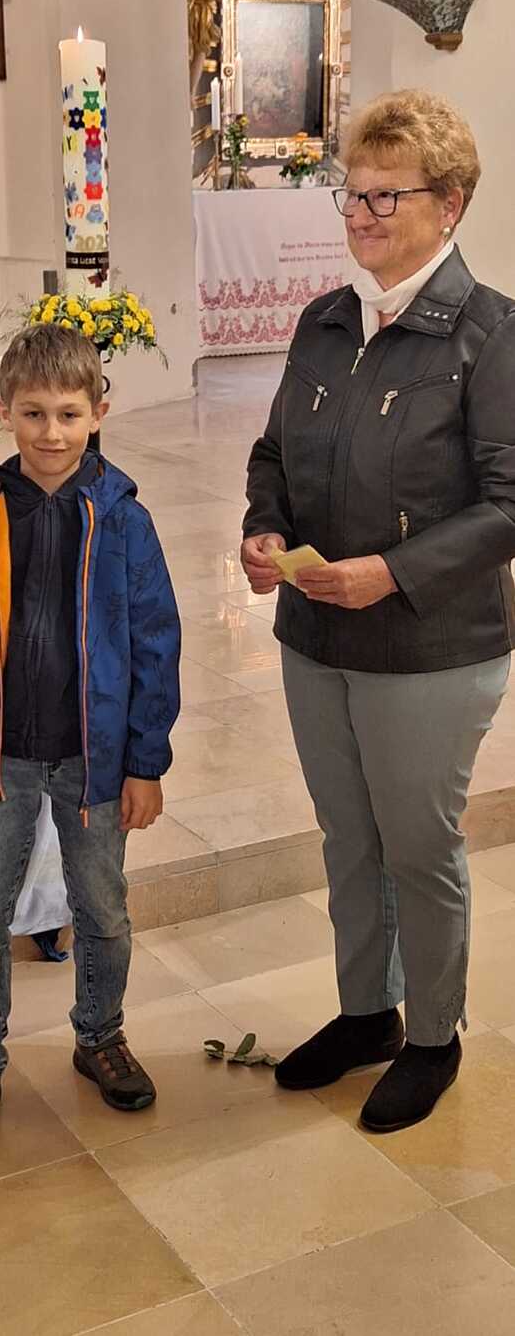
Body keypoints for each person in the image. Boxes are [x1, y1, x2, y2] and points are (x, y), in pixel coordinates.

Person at [242, 89, 515, 1133]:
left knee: (416, 845)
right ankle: (367, 1014)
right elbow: (273, 453)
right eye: (351, 196)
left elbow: (508, 505)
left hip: (429, 646)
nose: (359, 216)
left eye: (383, 197)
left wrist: (388, 574)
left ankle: (433, 1035)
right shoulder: (324, 322)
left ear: (449, 205)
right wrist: (264, 528)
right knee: (347, 838)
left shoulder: (490, 334)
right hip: (316, 635)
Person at [0, 324, 181, 1153]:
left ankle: (100, 1034)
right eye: (33, 413)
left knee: (102, 908)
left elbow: (156, 645)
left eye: (69, 414)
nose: (52, 433)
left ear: (99, 411)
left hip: (92, 760)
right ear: (3, 411)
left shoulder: (125, 521)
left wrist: (145, 761)